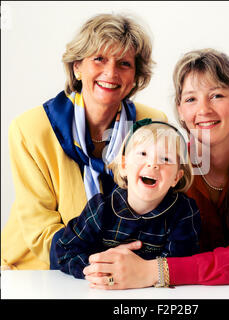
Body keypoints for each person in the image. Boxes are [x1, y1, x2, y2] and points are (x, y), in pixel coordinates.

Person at [82, 48, 229, 289]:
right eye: (190, 99)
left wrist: (155, 270)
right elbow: (119, 226)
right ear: (180, 111)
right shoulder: (164, 169)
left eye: (217, 95)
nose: (204, 110)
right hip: (188, 292)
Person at [1, 13, 167, 270]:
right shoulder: (30, 130)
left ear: (135, 76)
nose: (111, 73)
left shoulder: (153, 124)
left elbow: (161, 213)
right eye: (99, 59)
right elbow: (39, 231)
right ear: (77, 66)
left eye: (124, 63)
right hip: (37, 271)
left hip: (122, 272)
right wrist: (101, 259)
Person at [53, 119, 200, 280]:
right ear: (123, 166)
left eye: (166, 159)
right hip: (104, 288)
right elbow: (67, 251)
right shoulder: (101, 208)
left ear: (176, 178)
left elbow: (179, 264)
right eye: (143, 154)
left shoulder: (183, 211)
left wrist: (140, 272)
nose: (153, 164)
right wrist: (99, 268)